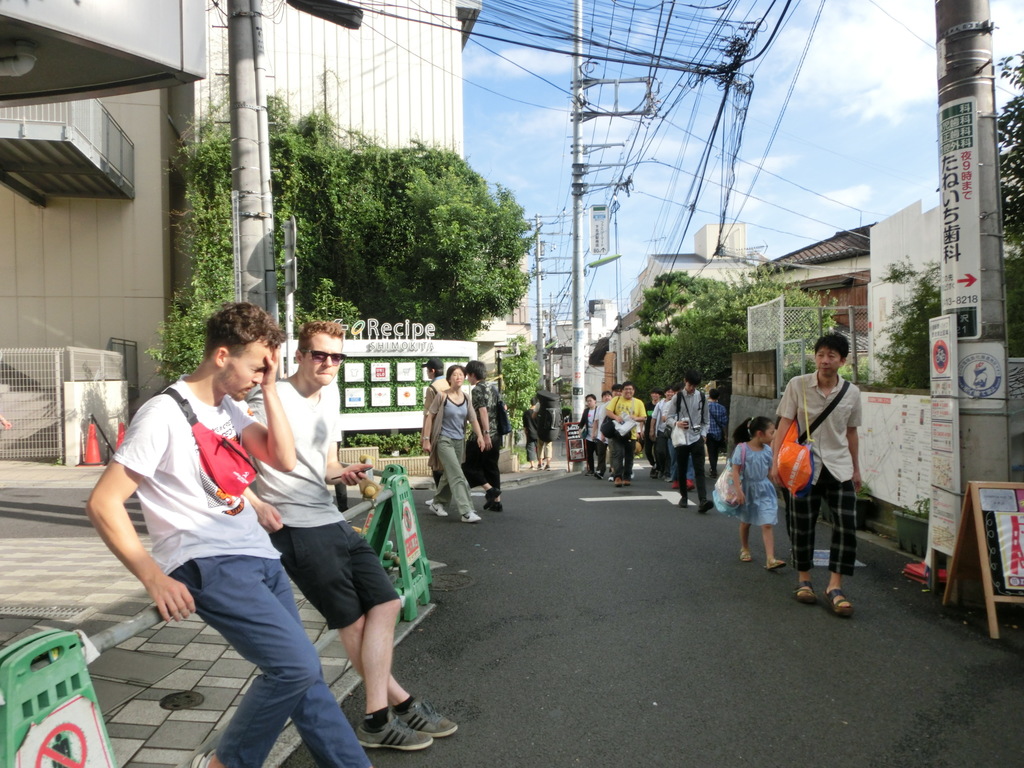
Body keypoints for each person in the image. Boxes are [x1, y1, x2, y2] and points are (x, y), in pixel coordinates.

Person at [85, 303, 372, 768]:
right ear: (223, 356)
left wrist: (270, 388)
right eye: (258, 365)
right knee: (295, 666)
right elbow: (103, 502)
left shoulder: (227, 408)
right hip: (209, 560)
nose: (263, 376)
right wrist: (153, 578)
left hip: (259, 554)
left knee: (305, 675)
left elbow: (281, 457)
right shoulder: (163, 414)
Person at [247, 321, 456, 752]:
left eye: (337, 357)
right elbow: (225, 461)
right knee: (353, 621)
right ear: (300, 355)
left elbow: (324, 462)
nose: (329, 364)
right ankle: (383, 716)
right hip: (295, 529)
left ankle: (388, 709)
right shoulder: (269, 396)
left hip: (328, 517)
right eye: (320, 355)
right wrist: (253, 504)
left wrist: (342, 471)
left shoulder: (331, 396)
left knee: (387, 601)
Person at [771, 333, 862, 617]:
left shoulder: (852, 393)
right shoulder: (797, 385)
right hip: (802, 468)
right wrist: (775, 464)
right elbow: (785, 424)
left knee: (847, 527)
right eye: (821, 354)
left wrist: (857, 469)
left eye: (831, 356)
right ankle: (804, 580)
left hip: (839, 466)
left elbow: (851, 432)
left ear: (842, 361)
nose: (825, 360)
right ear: (815, 357)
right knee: (801, 524)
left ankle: (835, 586)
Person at [422, 365, 486, 523]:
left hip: (459, 441)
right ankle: (466, 511)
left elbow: (473, 419)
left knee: (449, 473)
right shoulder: (442, 396)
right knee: (457, 475)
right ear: (449, 378)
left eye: (461, 374)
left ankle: (437, 503)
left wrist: (480, 436)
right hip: (444, 440)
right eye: (455, 374)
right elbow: (430, 417)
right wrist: (426, 439)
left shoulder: (466, 397)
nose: (458, 377)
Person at [729, 416, 785, 570]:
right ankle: (745, 548)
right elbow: (735, 470)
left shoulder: (767, 450)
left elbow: (769, 471)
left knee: (767, 523)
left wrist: (777, 483)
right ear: (760, 433)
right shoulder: (742, 449)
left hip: (764, 489)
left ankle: (770, 558)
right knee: (746, 521)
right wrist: (739, 491)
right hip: (747, 489)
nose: (774, 436)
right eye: (771, 432)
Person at [662, 370, 713, 513]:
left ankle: (703, 500)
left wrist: (703, 434)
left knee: (700, 469)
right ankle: (683, 497)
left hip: (696, 437)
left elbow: (706, 420)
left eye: (694, 386)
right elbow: (669, 417)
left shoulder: (701, 397)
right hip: (682, 438)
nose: (692, 388)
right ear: (685, 381)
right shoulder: (677, 398)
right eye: (690, 385)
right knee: (682, 467)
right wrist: (676, 423)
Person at [461, 360, 503, 512]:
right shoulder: (493, 388)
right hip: (496, 434)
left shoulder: (477, 389)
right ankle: (497, 502)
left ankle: (490, 490)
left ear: (473, 374)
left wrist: (485, 434)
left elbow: (483, 411)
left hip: (481, 436)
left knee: (468, 467)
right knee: (492, 467)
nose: (467, 378)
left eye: (467, 375)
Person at [606, 381, 646, 487]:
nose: (628, 391)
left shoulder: (638, 402)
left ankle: (627, 477)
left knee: (629, 457)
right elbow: (608, 411)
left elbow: (644, 417)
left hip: (631, 434)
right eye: (626, 389)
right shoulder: (616, 399)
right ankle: (617, 476)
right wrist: (616, 417)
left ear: (633, 391)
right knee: (617, 454)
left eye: (630, 389)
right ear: (622, 391)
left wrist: (635, 418)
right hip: (617, 433)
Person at [422, 358, 448, 510]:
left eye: (427, 369)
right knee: (447, 466)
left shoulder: (433, 387)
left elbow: (428, 414)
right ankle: (442, 498)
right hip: (451, 430)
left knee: (436, 465)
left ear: (432, 371)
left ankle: (438, 500)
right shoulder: (449, 384)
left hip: (436, 430)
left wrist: (425, 436)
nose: (427, 372)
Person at [706, 388, 729, 478]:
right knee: (715, 451)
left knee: (710, 452)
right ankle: (713, 468)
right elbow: (724, 422)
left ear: (709, 396)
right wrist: (725, 434)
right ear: (718, 396)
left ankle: (713, 469)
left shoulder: (706, 407)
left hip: (708, 432)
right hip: (718, 433)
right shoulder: (722, 408)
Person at [590, 390, 612, 479]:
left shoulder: (613, 406)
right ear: (602, 398)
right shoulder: (599, 408)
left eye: (608, 396)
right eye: (604, 396)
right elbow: (596, 421)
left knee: (613, 454)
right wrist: (593, 433)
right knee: (601, 453)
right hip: (600, 435)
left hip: (611, 434)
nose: (607, 397)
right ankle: (600, 471)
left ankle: (614, 471)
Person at [644, 387, 663, 475]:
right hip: (648, 430)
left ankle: (658, 468)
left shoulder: (661, 405)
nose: (655, 395)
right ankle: (654, 464)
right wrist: (641, 430)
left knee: (657, 451)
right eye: (653, 393)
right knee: (647, 451)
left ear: (659, 395)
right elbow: (643, 418)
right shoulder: (647, 405)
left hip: (658, 430)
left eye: (657, 393)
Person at [579, 394, 599, 475]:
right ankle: (591, 469)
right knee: (589, 453)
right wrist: (580, 429)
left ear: (595, 401)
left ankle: (600, 469)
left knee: (599, 453)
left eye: (590, 400)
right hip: (588, 434)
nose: (589, 402)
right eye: (587, 401)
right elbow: (582, 422)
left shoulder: (598, 410)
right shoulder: (586, 411)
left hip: (598, 434)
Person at [522, 401, 539, 470]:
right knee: (540, 448)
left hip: (530, 433)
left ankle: (532, 464)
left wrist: (526, 433)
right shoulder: (538, 412)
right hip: (539, 433)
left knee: (530, 448)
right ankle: (539, 463)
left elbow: (525, 425)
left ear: (530, 403)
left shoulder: (526, 413)